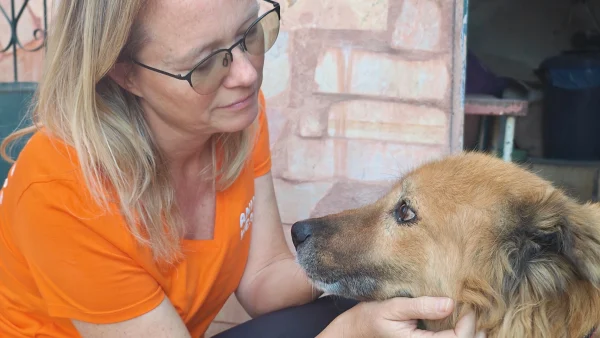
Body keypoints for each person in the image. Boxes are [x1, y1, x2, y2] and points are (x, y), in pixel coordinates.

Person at [0, 0, 484, 337]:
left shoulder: (232, 118)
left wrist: (365, 249)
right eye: (206, 63)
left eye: (249, 33)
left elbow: (264, 281)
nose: (248, 74)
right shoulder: (60, 193)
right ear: (123, 73)